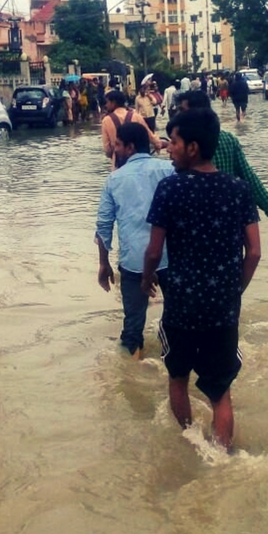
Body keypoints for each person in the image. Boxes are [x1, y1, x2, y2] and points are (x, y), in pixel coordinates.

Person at [142, 106, 261, 450]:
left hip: (180, 306)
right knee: (220, 391)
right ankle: (221, 456)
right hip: (222, 309)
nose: (168, 147)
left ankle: (189, 443)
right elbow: (253, 252)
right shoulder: (238, 190)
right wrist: (234, 290)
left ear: (193, 147)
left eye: (174, 141)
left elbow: (153, 251)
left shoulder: (170, 189)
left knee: (178, 378)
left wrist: (145, 279)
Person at [95, 122, 175, 359]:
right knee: (178, 321)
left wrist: (104, 263)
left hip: (134, 263)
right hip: (172, 258)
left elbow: (104, 226)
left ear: (129, 147)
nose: (114, 150)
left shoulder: (114, 180)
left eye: (118, 145)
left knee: (132, 328)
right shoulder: (170, 170)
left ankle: (132, 383)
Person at [175, 90, 268, 235]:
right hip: (229, 223)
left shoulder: (185, 146)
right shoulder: (228, 140)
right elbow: (249, 177)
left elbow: (248, 177)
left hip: (195, 222)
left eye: (182, 110)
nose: (178, 116)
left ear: (196, 113)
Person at [101, 90, 166, 169]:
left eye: (107, 102)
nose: (106, 105)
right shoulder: (136, 116)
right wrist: (158, 144)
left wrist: (115, 153)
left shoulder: (106, 120)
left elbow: (107, 150)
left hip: (119, 165)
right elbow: (150, 136)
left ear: (113, 103)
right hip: (140, 163)